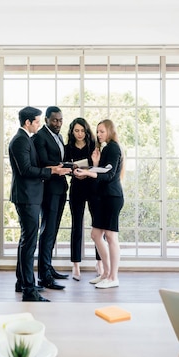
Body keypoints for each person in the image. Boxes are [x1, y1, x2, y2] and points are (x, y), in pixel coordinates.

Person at [9, 106, 70, 301]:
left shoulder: (25, 139)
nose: (39, 124)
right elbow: (26, 170)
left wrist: (52, 168)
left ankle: (22, 283)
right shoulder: (20, 140)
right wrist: (52, 172)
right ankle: (29, 290)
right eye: (37, 121)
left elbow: (33, 166)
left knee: (26, 242)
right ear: (28, 122)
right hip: (27, 197)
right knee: (29, 244)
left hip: (31, 196)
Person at [73, 119, 124, 289]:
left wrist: (88, 172)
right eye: (97, 131)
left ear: (110, 131)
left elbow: (108, 174)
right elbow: (102, 171)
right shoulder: (106, 148)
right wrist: (94, 165)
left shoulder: (114, 147)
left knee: (110, 237)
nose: (99, 134)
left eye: (102, 131)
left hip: (112, 197)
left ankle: (113, 277)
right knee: (96, 235)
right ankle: (105, 273)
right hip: (104, 197)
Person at [32, 106, 70, 290]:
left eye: (61, 120)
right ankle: (44, 276)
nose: (58, 123)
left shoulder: (59, 136)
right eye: (55, 120)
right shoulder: (40, 137)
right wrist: (62, 167)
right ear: (46, 119)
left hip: (60, 188)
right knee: (47, 231)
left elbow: (58, 159)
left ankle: (48, 267)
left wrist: (70, 166)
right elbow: (43, 162)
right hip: (48, 190)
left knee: (53, 230)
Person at [63, 117, 101, 281]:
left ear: (87, 131)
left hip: (93, 188)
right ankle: (76, 264)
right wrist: (72, 171)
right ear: (72, 131)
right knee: (76, 226)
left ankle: (99, 262)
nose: (79, 134)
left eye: (82, 130)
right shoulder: (67, 148)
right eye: (76, 130)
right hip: (76, 188)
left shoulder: (94, 146)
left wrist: (92, 165)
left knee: (98, 227)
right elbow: (64, 167)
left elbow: (99, 168)